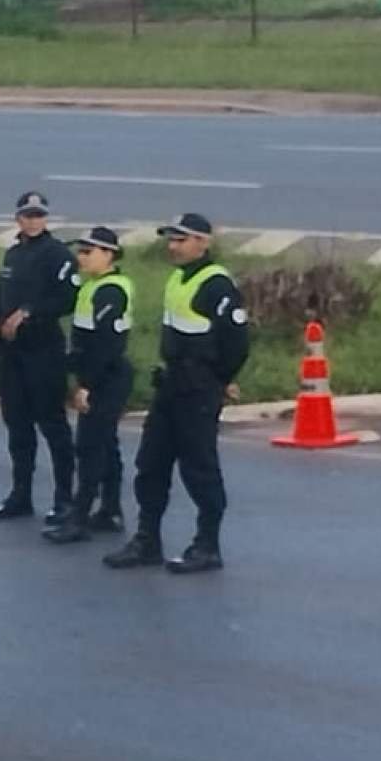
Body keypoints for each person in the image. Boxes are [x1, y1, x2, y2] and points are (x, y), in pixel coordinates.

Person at [106, 212, 251, 575]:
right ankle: (147, 539)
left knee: (200, 468)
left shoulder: (216, 284)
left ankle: (207, 545)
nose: (173, 246)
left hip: (198, 390)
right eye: (171, 239)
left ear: (204, 242)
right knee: (151, 464)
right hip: (170, 386)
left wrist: (217, 380)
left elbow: (237, 343)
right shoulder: (177, 279)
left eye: (181, 240)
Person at [0, 189, 79, 523]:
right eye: (27, 215)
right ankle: (20, 495)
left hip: (43, 350)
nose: (33, 221)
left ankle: (65, 498)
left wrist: (30, 312)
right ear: (18, 218)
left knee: (53, 425)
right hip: (13, 353)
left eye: (39, 215)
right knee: (17, 426)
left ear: (46, 218)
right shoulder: (13, 255)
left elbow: (67, 298)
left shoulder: (58, 255)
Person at [44, 228, 134, 544]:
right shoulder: (93, 287)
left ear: (109, 255)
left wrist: (87, 386)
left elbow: (106, 346)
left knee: (90, 447)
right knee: (106, 445)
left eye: (89, 251)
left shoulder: (110, 291)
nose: (81, 257)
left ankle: (80, 518)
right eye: (80, 251)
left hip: (107, 377)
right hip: (101, 374)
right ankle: (109, 510)